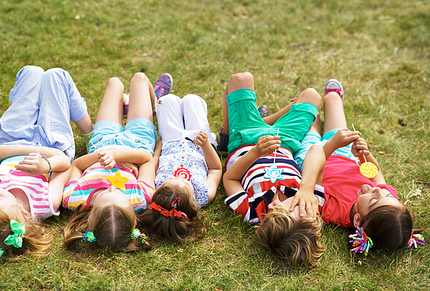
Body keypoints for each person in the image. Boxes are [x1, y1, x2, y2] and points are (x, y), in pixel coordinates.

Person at [0, 66, 93, 259]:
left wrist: (26, 149)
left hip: (13, 138)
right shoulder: (45, 203)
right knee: (56, 75)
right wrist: (46, 166)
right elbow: (65, 164)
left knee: (31, 72)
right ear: (20, 211)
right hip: (54, 143)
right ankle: (90, 133)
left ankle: (24, 106)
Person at [290, 80, 423, 253]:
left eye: (374, 200)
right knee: (332, 99)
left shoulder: (333, 211)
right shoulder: (388, 200)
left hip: (312, 157)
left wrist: (332, 144)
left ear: (358, 220)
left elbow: (316, 171)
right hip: (346, 154)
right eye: (387, 194)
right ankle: (329, 100)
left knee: (311, 115)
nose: (378, 190)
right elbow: (376, 174)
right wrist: (363, 154)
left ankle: (311, 117)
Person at [221, 72, 326, 267]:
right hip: (284, 139)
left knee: (241, 80)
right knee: (312, 96)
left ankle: (226, 135)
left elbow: (229, 179)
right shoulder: (311, 201)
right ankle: (269, 119)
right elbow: (317, 151)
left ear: (274, 207)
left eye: (300, 211)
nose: (310, 212)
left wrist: (255, 153)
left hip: (245, 140)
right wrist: (306, 188)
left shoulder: (251, 211)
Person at [62, 73, 172, 252]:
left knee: (114, 83)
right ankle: (154, 104)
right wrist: (119, 155)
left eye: (104, 193)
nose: (112, 187)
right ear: (134, 218)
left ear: (90, 219)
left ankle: (130, 105)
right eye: (119, 194)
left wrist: (103, 153)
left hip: (101, 141)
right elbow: (146, 159)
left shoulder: (73, 199)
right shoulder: (141, 198)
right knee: (139, 79)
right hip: (138, 141)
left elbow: (75, 165)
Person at [137, 94, 222, 243]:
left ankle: (161, 101)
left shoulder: (154, 191)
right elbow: (215, 169)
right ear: (191, 203)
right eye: (185, 183)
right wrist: (206, 144)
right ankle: (208, 133)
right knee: (192, 100)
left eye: (171, 179)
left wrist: (159, 145)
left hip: (171, 141)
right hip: (199, 143)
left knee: (167, 100)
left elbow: (154, 162)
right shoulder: (204, 194)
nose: (180, 176)